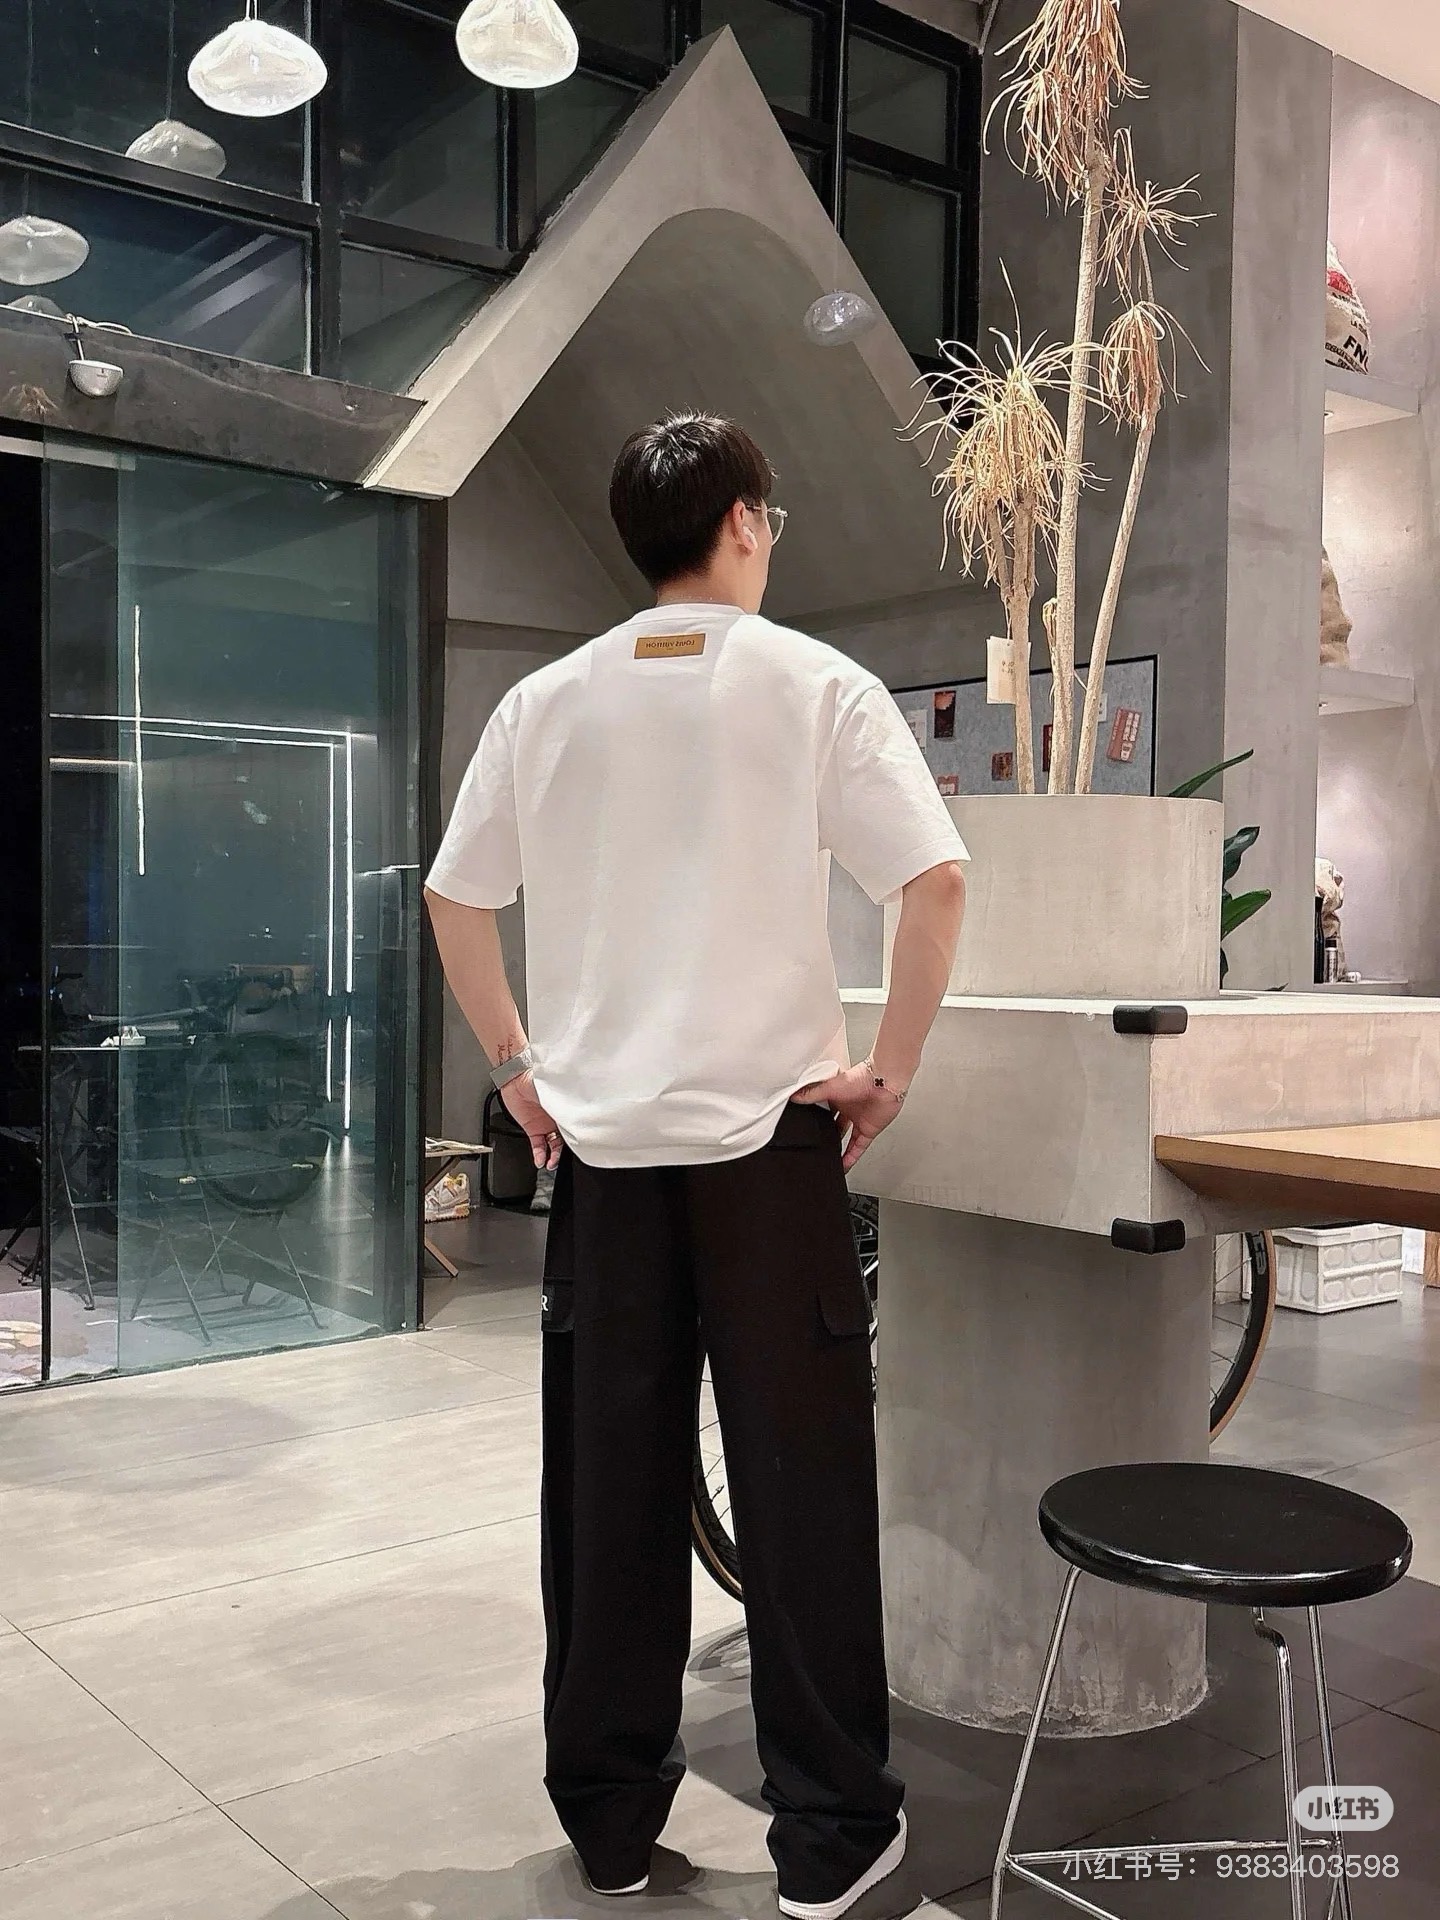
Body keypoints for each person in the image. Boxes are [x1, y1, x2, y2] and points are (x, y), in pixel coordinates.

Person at [424, 411, 967, 1920]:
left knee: (608, 1491)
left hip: (603, 1161)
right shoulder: (815, 686)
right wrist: (892, 1069)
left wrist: (519, 1070)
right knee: (801, 1489)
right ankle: (832, 1838)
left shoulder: (543, 703)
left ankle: (609, 1821)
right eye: (769, 517)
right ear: (741, 521)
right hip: (768, 1153)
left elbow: (456, 899)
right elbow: (933, 881)